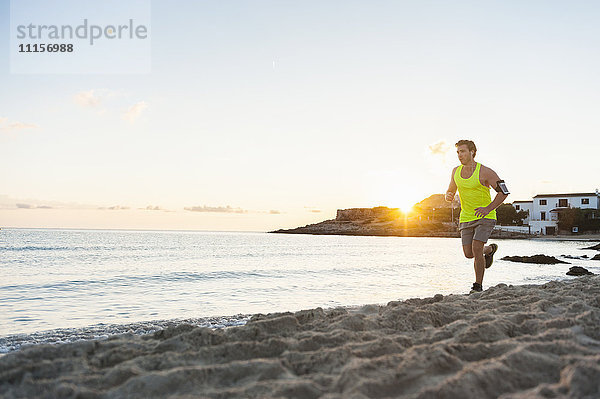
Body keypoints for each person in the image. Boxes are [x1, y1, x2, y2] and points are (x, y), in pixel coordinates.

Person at [445, 140, 509, 294]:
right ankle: (490, 250)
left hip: (485, 216)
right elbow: (451, 189)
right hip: (466, 217)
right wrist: (448, 195)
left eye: (463, 151)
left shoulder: (485, 172)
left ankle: (477, 286)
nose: (460, 155)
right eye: (458, 152)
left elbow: (504, 192)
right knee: (469, 253)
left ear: (472, 152)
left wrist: (488, 208)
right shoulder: (455, 171)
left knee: (476, 247)